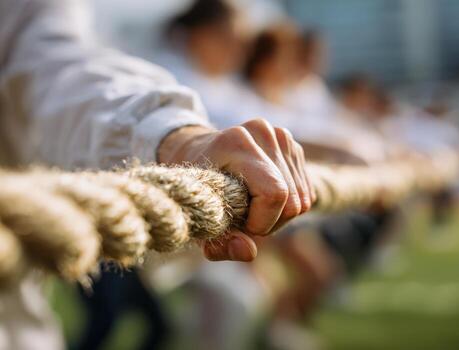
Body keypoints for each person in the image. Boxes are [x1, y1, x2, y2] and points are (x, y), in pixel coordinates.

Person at [0, 0, 316, 348]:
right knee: (113, 316)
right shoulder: (173, 70)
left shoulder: (223, 85)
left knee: (178, 315)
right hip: (105, 208)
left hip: (130, 208)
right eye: (232, 38)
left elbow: (53, 65)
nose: (241, 51)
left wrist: (178, 140)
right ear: (201, 35)